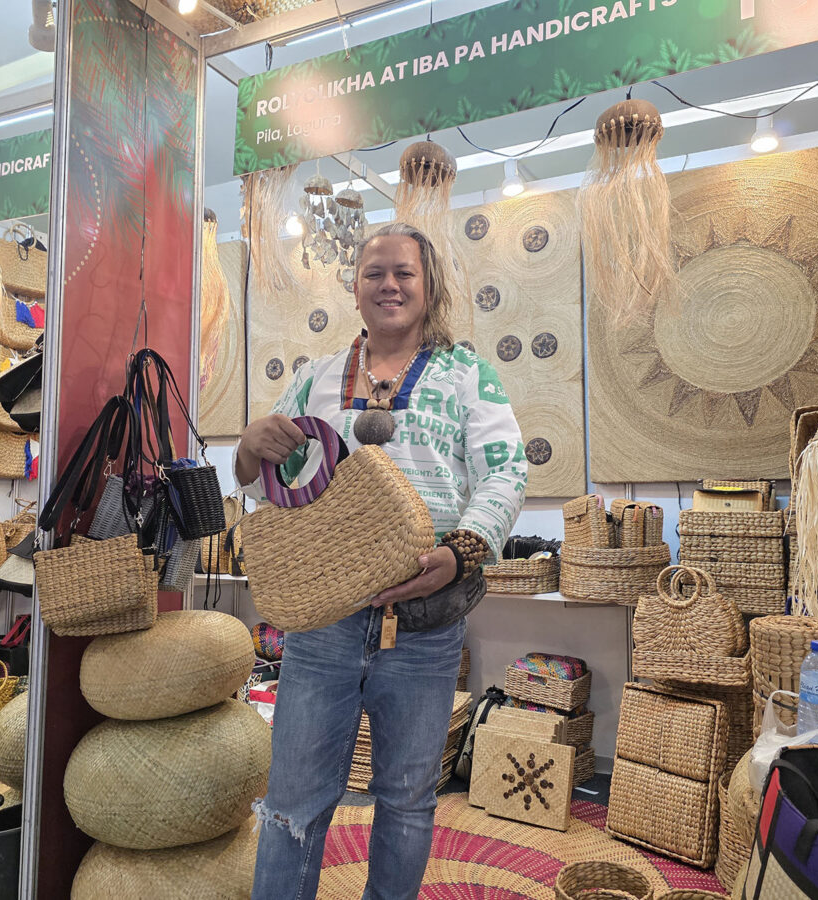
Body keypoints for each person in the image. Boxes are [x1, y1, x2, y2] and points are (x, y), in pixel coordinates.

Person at [236, 222, 527, 900]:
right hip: (323, 621)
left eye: (404, 273)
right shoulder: (313, 378)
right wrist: (249, 447)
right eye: (374, 273)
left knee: (406, 799)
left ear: (429, 287)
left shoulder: (466, 376)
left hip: (425, 624)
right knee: (293, 799)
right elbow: (267, 483)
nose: (389, 285)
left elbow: (506, 472)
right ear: (356, 288)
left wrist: (462, 552)